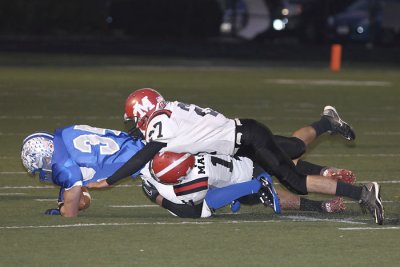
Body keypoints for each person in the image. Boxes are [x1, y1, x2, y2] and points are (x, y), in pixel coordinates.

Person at [87, 88, 384, 224]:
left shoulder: (159, 124)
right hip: (243, 138)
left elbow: (145, 155)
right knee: (293, 149)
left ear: (143, 113)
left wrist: (109, 181)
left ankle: (362, 193)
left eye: (134, 118)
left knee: (294, 180)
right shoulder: (170, 109)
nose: (136, 125)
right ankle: (328, 122)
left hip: (247, 141)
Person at [20, 124, 279, 217]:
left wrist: (67, 209)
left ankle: (254, 186)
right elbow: (82, 192)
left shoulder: (64, 166)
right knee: (200, 173)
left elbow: (74, 207)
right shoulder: (66, 133)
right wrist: (70, 199)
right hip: (144, 148)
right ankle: (235, 188)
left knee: (194, 210)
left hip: (152, 163)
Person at [141, 151, 346, 218]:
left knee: (210, 202)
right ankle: (322, 170)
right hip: (242, 161)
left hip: (245, 178)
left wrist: (158, 198)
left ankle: (321, 206)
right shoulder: (191, 151)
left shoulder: (195, 182)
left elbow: (197, 212)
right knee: (277, 161)